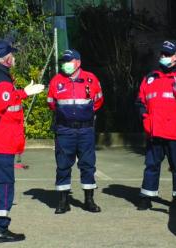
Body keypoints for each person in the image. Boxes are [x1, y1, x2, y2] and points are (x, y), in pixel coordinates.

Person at [0, 39, 44, 243]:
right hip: (0, 141)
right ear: (5, 58)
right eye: (12, 55)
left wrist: (23, 93)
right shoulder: (2, 81)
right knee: (4, 185)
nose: (14, 57)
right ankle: (1, 230)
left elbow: (2, 100)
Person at [135, 40, 176, 210]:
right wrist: (145, 119)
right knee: (151, 165)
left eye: (167, 54)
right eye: (162, 53)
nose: (163, 57)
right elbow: (140, 102)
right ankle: (146, 197)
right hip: (154, 130)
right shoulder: (150, 78)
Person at [47, 49, 104, 214]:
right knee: (63, 165)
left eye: (69, 61)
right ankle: (63, 202)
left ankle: (89, 200)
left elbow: (99, 100)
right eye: (64, 61)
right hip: (64, 129)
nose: (65, 64)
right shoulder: (56, 81)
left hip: (86, 129)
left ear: (78, 62)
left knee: (87, 164)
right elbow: (51, 103)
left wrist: (84, 114)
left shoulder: (90, 79)